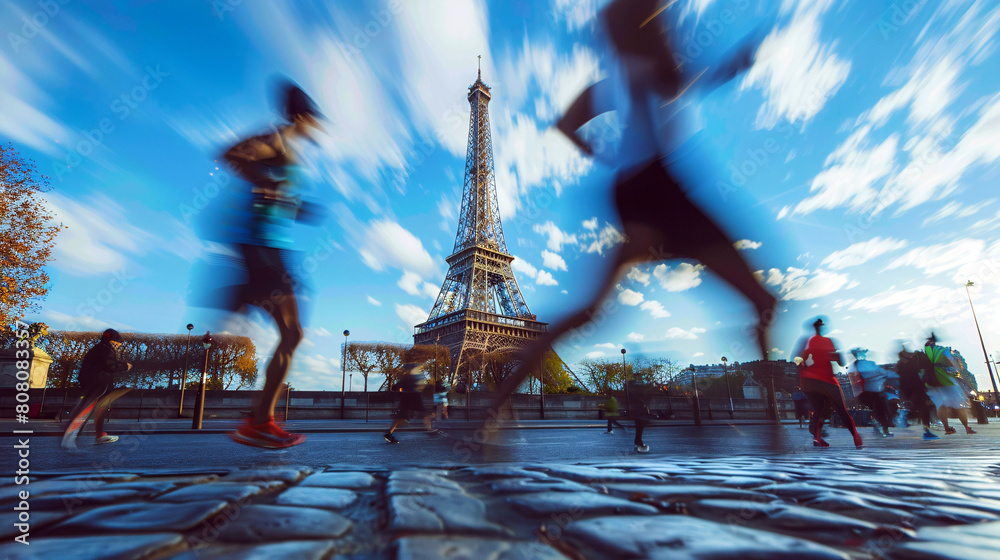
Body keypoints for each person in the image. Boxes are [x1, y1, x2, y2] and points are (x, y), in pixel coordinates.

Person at [483, 0, 777, 428]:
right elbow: (690, 74)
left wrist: (604, 153)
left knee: (590, 308)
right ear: (646, 30)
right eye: (660, 25)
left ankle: (496, 405)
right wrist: (734, 61)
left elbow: (565, 124)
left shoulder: (612, 82)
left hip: (635, 188)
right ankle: (772, 422)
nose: (669, 31)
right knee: (762, 300)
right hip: (660, 187)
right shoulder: (650, 70)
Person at [205, 80, 326, 449]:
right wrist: (267, 183)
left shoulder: (288, 148)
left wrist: (292, 204)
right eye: (315, 120)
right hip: (261, 247)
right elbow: (229, 153)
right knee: (292, 334)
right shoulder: (276, 139)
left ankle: (260, 420)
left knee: (292, 334)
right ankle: (259, 422)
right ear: (303, 116)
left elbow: (274, 192)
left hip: (271, 248)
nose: (318, 128)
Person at [793, 318, 862, 449]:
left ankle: (817, 438)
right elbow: (841, 363)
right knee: (841, 409)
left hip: (807, 381)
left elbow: (797, 359)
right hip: (825, 379)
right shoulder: (828, 341)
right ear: (822, 328)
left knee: (820, 409)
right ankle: (856, 437)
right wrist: (838, 354)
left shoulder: (805, 342)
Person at [61, 329, 132, 449]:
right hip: (98, 383)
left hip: (94, 382)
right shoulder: (106, 349)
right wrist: (125, 366)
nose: (119, 346)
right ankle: (69, 436)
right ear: (114, 341)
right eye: (118, 343)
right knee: (88, 408)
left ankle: (99, 435)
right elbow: (110, 366)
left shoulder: (99, 348)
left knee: (100, 408)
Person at [923, 334, 976, 435]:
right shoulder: (941, 350)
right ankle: (967, 428)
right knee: (959, 405)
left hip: (930, 381)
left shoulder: (925, 354)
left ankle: (947, 428)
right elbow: (952, 363)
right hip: (945, 378)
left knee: (941, 405)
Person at [384, 360, 442, 443]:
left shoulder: (407, 377)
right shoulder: (411, 377)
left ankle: (389, 434)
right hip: (413, 398)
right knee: (424, 414)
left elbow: (396, 388)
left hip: (408, 399)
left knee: (401, 418)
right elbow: (418, 387)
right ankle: (430, 431)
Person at [848, 348, 894, 437]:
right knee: (882, 410)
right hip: (873, 392)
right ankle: (884, 429)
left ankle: (881, 427)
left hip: (868, 392)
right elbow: (883, 373)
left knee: (879, 411)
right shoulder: (868, 364)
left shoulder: (856, 365)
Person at [896, 347, 939, 440]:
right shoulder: (908, 363)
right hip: (914, 388)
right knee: (922, 408)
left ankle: (906, 417)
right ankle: (925, 430)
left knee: (921, 408)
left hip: (912, 388)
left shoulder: (903, 364)